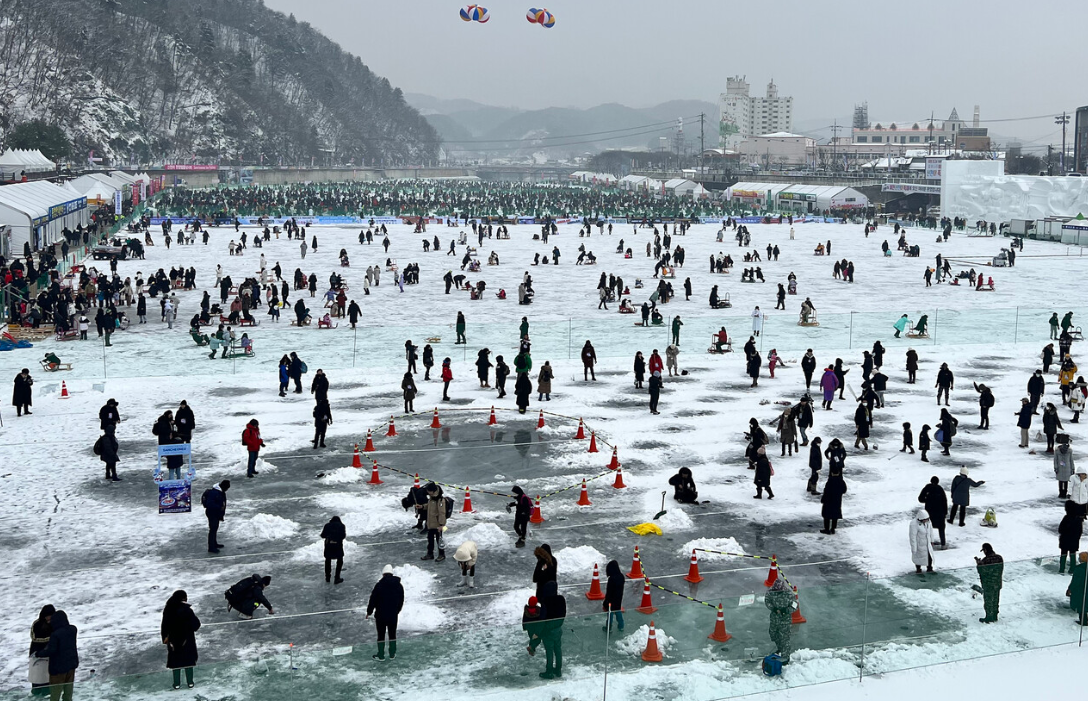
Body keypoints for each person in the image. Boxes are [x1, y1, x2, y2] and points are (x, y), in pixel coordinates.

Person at [161, 590, 200, 690]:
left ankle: (176, 684)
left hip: (173, 641)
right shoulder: (187, 610)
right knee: (188, 662)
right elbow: (196, 625)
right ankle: (190, 682)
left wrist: (165, 637)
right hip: (187, 640)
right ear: (184, 598)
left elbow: (164, 626)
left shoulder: (168, 609)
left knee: (176, 663)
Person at [35, 610, 77, 701]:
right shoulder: (73, 629)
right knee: (68, 694)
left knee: (55, 695)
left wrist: (39, 653)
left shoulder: (55, 635)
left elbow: (51, 651)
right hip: (71, 666)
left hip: (58, 669)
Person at [366, 565, 404, 660]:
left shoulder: (379, 585)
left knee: (381, 635)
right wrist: (396, 611)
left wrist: (369, 612)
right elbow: (401, 600)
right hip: (392, 615)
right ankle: (392, 654)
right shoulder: (399, 585)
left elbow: (373, 600)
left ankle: (381, 655)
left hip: (380, 615)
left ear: (383, 574)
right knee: (392, 634)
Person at [538, 580, 566, 679]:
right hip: (558, 629)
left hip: (548, 631)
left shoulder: (546, 602)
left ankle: (549, 671)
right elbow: (563, 614)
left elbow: (542, 618)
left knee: (549, 650)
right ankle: (558, 670)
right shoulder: (561, 599)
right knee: (558, 649)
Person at [765, 578, 795, 664]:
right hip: (774, 618)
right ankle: (780, 648)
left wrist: (786, 611)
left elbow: (795, 605)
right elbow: (767, 601)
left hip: (785, 620)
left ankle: (785, 657)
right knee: (773, 634)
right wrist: (773, 609)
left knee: (785, 638)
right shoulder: (771, 592)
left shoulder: (789, 594)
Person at [974, 544, 1004, 623]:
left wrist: (979, 564)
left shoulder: (986, 560)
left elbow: (982, 572)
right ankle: (995, 615)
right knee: (996, 600)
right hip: (997, 583)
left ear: (986, 550)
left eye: (983, 550)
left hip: (988, 584)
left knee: (988, 601)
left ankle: (989, 617)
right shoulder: (999, 558)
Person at [29, 605, 55, 693]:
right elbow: (34, 638)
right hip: (37, 652)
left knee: (46, 676)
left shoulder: (54, 623)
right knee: (37, 676)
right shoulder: (37, 624)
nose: (49, 618)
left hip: (49, 653)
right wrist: (50, 639)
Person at [918, 476, 948, 549]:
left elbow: (920, 498)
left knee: (928, 528)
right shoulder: (940, 489)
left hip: (929, 512)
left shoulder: (927, 488)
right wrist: (945, 512)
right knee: (941, 528)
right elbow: (944, 501)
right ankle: (943, 544)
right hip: (939, 512)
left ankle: (928, 543)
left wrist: (927, 500)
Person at [420, 482, 448, 561]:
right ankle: (430, 554)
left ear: (433, 491)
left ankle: (441, 555)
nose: (427, 492)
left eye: (429, 491)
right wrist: (422, 506)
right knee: (430, 540)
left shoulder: (440, 500)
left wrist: (442, 525)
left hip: (438, 525)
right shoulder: (432, 498)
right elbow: (430, 506)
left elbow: (442, 513)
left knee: (439, 540)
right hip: (431, 524)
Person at [201, 480, 229, 553]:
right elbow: (210, 504)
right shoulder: (215, 493)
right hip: (212, 513)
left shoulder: (220, 492)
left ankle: (214, 544)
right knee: (212, 530)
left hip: (216, 513)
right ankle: (211, 547)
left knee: (215, 529)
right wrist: (219, 507)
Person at [320, 516, 346, 584]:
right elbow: (343, 536)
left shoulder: (327, 525)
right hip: (338, 546)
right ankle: (337, 577)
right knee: (340, 560)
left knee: (328, 560)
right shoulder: (342, 526)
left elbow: (322, 535)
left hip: (328, 546)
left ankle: (327, 578)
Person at [820, 465, 846, 534]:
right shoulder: (841, 481)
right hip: (837, 501)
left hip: (828, 501)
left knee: (827, 515)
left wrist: (823, 499)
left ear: (831, 473)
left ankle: (827, 529)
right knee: (835, 515)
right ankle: (833, 528)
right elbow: (844, 490)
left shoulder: (830, 482)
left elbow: (826, 491)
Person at [1060, 500, 1083, 574]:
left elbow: (1060, 529)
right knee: (1073, 553)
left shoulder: (1066, 518)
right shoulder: (1078, 519)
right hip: (1074, 540)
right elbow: (1080, 531)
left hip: (1065, 539)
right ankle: (1072, 569)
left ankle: (1062, 569)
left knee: (1063, 553)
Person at [602, 560, 625, 633]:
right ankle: (621, 626)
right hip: (618, 599)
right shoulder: (621, 577)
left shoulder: (611, 579)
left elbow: (609, 591)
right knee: (618, 612)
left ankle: (609, 628)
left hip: (611, 600)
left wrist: (606, 601)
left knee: (610, 614)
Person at [909, 509, 935, 574]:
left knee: (929, 557)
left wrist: (932, 540)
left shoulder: (928, 522)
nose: (926, 521)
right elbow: (912, 537)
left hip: (927, 544)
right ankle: (918, 568)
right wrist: (914, 548)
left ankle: (929, 568)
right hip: (919, 545)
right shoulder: (914, 524)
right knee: (918, 557)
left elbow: (931, 531)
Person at [1070, 552, 1088, 625]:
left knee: (1081, 605)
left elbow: (1075, 581)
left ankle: (1083, 621)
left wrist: (1070, 588)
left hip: (1081, 590)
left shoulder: (1079, 569)